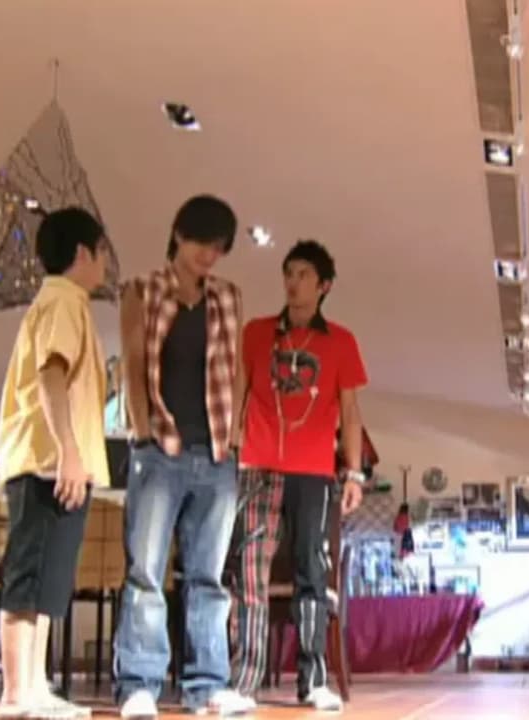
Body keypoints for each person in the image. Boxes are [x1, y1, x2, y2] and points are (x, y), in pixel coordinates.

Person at [114, 195, 256, 718]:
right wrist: (141, 430)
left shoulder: (228, 296)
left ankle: (208, 684)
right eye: (201, 242)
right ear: (178, 234)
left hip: (216, 452)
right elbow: (132, 363)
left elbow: (236, 368)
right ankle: (139, 684)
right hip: (160, 450)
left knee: (209, 577)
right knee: (146, 572)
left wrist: (234, 434)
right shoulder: (142, 290)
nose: (208, 255)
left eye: (218, 247)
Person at [229, 239, 368, 712]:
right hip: (257, 465)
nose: (293, 282)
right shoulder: (256, 333)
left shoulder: (341, 342)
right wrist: (229, 450)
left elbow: (351, 413)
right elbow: (238, 395)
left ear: (324, 285)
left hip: (314, 472)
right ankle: (243, 680)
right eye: (289, 272)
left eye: (304, 274)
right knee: (250, 571)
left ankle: (313, 680)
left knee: (313, 572)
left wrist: (354, 473)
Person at [0, 207, 112, 719]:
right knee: (29, 575)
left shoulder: (70, 303)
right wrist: (67, 449)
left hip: (61, 462)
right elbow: (52, 375)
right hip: (46, 460)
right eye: (102, 252)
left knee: (48, 581)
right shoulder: (63, 300)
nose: (105, 263)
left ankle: (35, 686)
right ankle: (15, 693)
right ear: (82, 252)